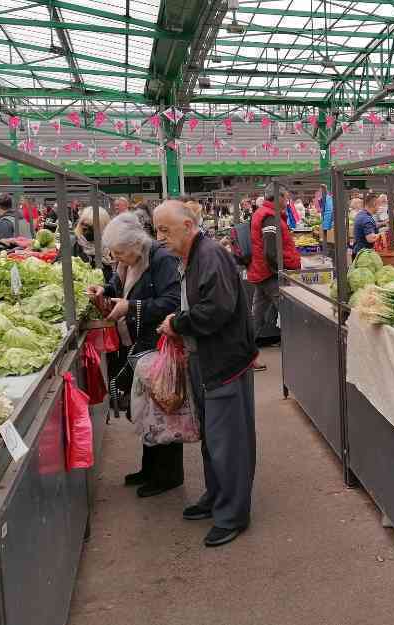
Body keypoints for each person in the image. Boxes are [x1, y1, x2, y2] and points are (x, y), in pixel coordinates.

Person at [154, 200, 258, 548]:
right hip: (206, 359)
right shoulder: (190, 256)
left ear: (188, 225)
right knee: (213, 438)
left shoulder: (210, 255)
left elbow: (217, 308)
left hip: (225, 361)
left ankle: (232, 514)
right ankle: (216, 498)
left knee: (228, 442)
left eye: (165, 230)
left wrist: (177, 324)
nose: (160, 237)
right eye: (158, 230)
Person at [88, 213, 183, 498]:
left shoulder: (161, 259)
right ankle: (149, 468)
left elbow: (172, 301)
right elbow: (120, 286)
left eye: (119, 252)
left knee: (162, 410)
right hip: (139, 345)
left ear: (135, 244)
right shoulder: (129, 260)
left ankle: (168, 475)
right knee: (144, 410)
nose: (116, 258)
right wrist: (104, 290)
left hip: (157, 344)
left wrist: (131, 306)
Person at [247, 185, 302, 355]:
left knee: (257, 314)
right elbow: (270, 251)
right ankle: (296, 351)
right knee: (288, 313)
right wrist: (280, 271)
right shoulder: (270, 217)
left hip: (261, 272)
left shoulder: (264, 213)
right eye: (285, 197)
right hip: (270, 274)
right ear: (278, 197)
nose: (287, 201)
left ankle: (245, 350)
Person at [73, 207, 113, 279]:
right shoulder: (73, 244)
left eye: (92, 229)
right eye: (85, 228)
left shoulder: (111, 247)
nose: (87, 232)